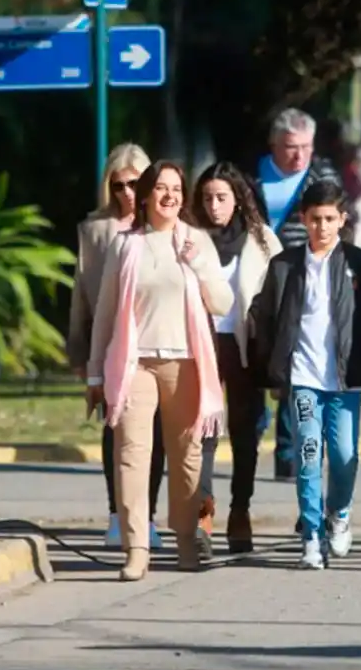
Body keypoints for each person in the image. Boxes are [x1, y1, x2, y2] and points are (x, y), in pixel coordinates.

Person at [86, 161, 234, 581]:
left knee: (187, 458)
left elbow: (222, 303)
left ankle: (186, 541)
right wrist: (95, 374)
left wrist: (197, 264)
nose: (170, 195)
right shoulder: (125, 245)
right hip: (134, 364)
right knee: (131, 455)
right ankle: (136, 548)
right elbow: (105, 313)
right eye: (162, 188)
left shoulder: (196, 240)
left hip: (186, 363)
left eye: (177, 189)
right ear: (147, 195)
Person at [247, 179, 361, 569]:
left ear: (342, 219)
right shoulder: (284, 266)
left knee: (344, 456)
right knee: (308, 456)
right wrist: (273, 369)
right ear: (303, 219)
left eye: (329, 219)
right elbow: (265, 317)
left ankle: (338, 513)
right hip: (303, 378)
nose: (321, 227)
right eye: (314, 219)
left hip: (344, 378)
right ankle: (311, 537)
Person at [67, 143, 166, 550]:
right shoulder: (96, 230)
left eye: (134, 184)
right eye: (118, 185)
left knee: (154, 434)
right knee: (117, 427)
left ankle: (147, 516)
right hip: (111, 346)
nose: (127, 192)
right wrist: (79, 351)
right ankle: (117, 514)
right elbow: (82, 294)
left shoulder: (164, 224)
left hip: (158, 341)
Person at [191, 162, 283, 556]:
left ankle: (240, 510)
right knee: (203, 433)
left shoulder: (261, 240)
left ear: (238, 199)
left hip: (246, 347)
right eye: (207, 198)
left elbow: (280, 296)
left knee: (245, 434)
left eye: (221, 198)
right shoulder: (190, 238)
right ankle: (202, 514)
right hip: (202, 346)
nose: (214, 206)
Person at [257, 108, 344, 482]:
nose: (299, 156)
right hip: (255, 279)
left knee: (295, 364)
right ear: (274, 144)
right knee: (258, 359)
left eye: (306, 147)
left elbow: (341, 225)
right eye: (291, 147)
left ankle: (289, 455)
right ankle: (255, 427)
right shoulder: (252, 177)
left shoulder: (322, 176)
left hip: (303, 279)